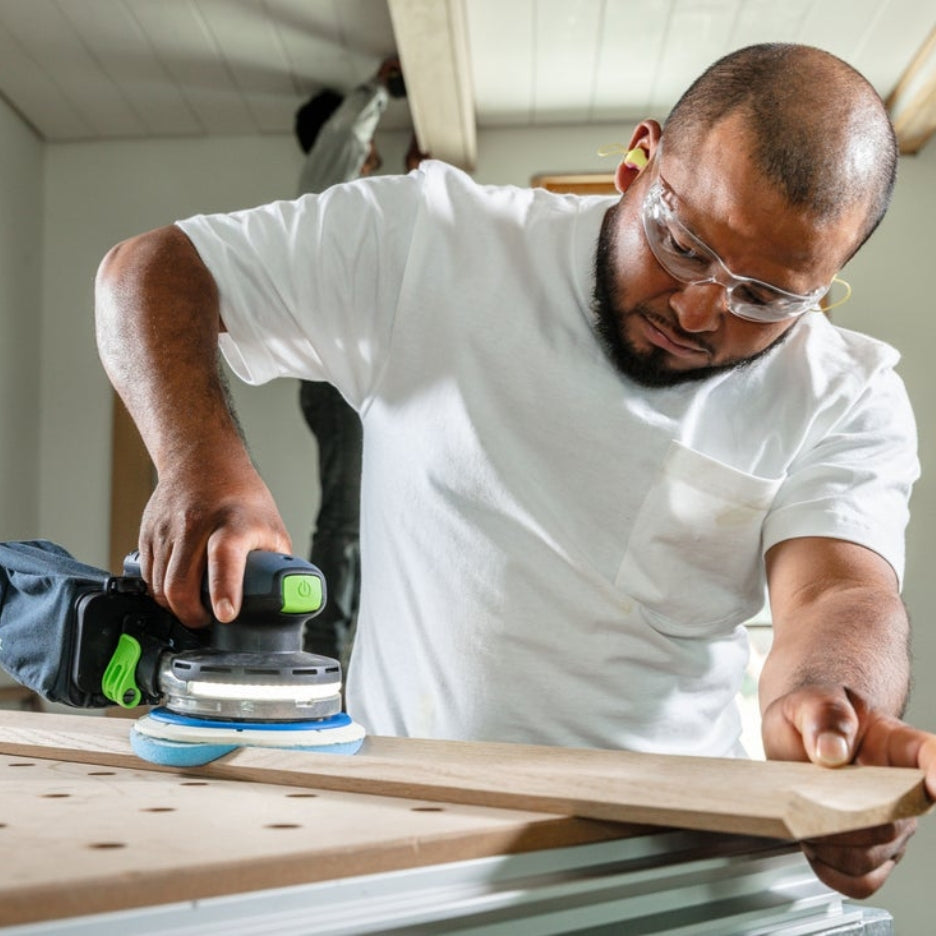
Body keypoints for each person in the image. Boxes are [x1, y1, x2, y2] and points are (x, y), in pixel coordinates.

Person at [94, 43, 936, 899]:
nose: (698, 309)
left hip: (677, 859)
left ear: (825, 287)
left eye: (764, 297)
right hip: (406, 842)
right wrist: (202, 461)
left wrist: (834, 705)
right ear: (638, 160)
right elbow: (148, 271)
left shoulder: (846, 394)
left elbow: (839, 596)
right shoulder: (437, 244)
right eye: (683, 244)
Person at [293, 57, 404, 664]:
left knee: (365, 514)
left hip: (351, 380)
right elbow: (344, 137)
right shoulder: (326, 179)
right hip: (336, 380)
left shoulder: (359, 204)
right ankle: (325, 649)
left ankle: (347, 645)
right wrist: (378, 87)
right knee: (346, 516)